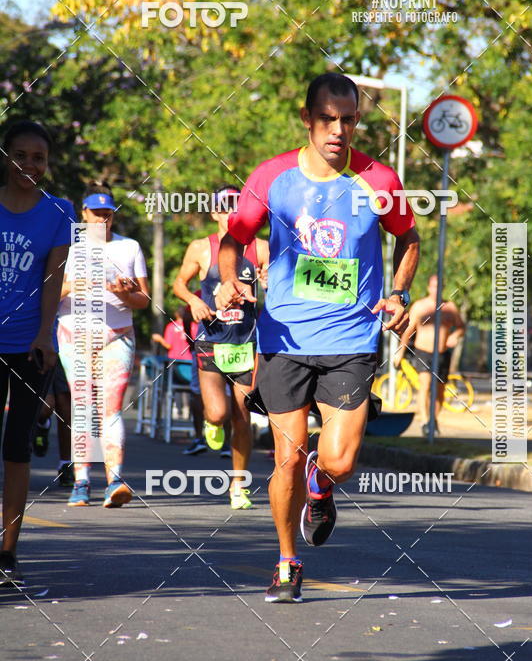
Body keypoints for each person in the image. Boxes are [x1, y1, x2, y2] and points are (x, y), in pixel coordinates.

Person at [217, 72, 420, 603]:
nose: (338, 130)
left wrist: (397, 295)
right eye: (328, 119)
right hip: (284, 337)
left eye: (348, 119)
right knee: (285, 457)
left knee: (341, 460)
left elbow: (409, 240)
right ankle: (287, 562)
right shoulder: (272, 176)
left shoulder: (379, 181)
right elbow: (235, 237)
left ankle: (322, 484)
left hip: (351, 337)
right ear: (307, 119)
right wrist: (228, 282)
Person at [0, 120, 76, 586]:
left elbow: (52, 280)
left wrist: (45, 335)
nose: (30, 165)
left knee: (17, 449)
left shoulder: (59, 211)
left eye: (39, 157)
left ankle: (7, 552)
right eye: (21, 155)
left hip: (29, 345)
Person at [173, 186, 269, 509]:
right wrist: (194, 301)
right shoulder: (202, 248)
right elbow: (178, 284)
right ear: (214, 213)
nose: (231, 213)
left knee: (242, 417)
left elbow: (279, 281)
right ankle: (211, 422)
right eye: (224, 208)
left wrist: (268, 279)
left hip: (246, 343)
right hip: (211, 342)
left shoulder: (261, 248)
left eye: (236, 207)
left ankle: (238, 487)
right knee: (219, 412)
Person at [57, 189, 150, 507]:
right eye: (96, 214)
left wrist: (124, 294)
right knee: (82, 407)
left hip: (117, 335)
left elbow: (144, 299)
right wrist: (70, 285)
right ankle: (81, 482)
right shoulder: (70, 248)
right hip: (75, 335)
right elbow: (46, 293)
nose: (102, 219)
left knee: (110, 409)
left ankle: (115, 482)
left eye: (107, 213)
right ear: (84, 214)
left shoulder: (130, 247)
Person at [394, 274, 465, 436]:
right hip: (423, 352)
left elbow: (461, 326)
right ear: (428, 287)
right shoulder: (420, 307)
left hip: (442, 354)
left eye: (439, 286)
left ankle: (433, 420)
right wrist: (400, 351)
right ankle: (425, 422)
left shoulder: (450, 307)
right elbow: (408, 331)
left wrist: (456, 335)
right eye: (433, 286)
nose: (436, 289)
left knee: (439, 391)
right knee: (425, 386)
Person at [32, 346, 75, 489]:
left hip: (69, 349)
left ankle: (66, 465)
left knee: (65, 409)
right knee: (45, 407)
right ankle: (42, 425)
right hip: (44, 346)